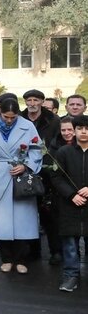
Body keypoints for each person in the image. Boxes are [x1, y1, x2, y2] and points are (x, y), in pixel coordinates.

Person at [0, 98, 42, 274]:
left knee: (22, 218)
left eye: (13, 117)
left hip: (21, 174)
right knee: (1, 218)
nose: (9, 120)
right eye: (6, 116)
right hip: (0, 172)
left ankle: (21, 258)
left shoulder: (28, 125)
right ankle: (6, 258)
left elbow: (37, 148)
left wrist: (26, 166)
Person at [21, 89, 62, 264]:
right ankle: (33, 250)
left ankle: (56, 251)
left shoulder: (53, 120)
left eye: (35, 100)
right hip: (25, 171)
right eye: (29, 100)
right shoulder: (20, 118)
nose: (32, 103)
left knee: (49, 214)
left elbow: (58, 143)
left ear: (42, 102)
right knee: (28, 213)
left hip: (47, 171)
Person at [50, 114, 88, 292]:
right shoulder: (64, 152)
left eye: (87, 129)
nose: (83, 132)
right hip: (69, 205)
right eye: (79, 128)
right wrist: (72, 195)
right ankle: (71, 276)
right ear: (74, 131)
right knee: (70, 245)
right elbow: (56, 178)